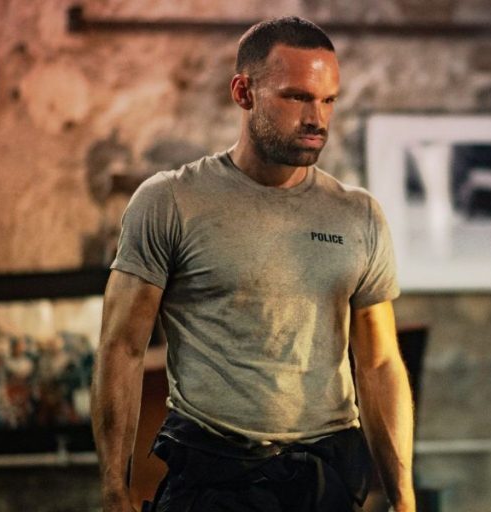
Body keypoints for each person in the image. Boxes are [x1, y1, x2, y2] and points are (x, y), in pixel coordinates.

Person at [91, 16, 416, 512]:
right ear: (244, 93)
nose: (317, 118)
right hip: (214, 476)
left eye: (328, 100)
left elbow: (378, 364)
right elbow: (122, 348)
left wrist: (403, 498)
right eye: (297, 97)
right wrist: (115, 491)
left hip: (324, 478)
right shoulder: (171, 201)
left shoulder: (358, 214)